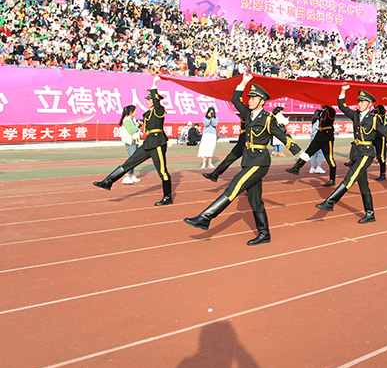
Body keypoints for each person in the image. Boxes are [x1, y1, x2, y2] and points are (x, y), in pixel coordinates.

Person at [184, 74, 300, 245]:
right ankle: (264, 234)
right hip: (248, 160)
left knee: (234, 186)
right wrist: (244, 82)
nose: (250, 100)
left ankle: (205, 217)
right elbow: (235, 98)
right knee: (255, 200)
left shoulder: (268, 119)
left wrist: (299, 152)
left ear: (262, 101)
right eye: (250, 98)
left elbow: (283, 136)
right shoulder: (248, 114)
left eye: (253, 98)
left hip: (260, 162)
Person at [314, 86, 387, 223]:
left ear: (369, 104)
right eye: (359, 101)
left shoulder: (374, 119)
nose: (359, 103)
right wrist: (343, 92)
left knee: (350, 178)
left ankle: (330, 202)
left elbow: (386, 132)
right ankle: (370, 213)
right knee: (363, 184)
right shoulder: (356, 115)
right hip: (356, 153)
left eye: (363, 102)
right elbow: (342, 107)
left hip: (367, 153)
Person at [93, 76, 173, 206]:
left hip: (157, 143)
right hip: (148, 143)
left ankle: (167, 197)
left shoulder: (159, 110)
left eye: (150, 99)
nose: (147, 101)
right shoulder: (148, 114)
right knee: (130, 162)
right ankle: (109, 181)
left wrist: (154, 83)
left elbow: (156, 106)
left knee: (162, 171)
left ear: (155, 100)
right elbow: (146, 126)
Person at [286, 104, 338, 186]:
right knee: (307, 153)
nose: (321, 104)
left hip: (327, 138)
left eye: (323, 103)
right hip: (318, 136)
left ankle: (332, 180)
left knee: (330, 159)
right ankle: (296, 167)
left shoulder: (330, 111)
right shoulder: (321, 112)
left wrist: (329, 104)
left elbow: (330, 116)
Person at [202, 113, 246, 183]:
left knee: (248, 167)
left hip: (249, 143)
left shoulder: (251, 113)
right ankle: (215, 174)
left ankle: (252, 191)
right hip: (241, 142)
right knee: (229, 158)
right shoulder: (246, 111)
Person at [118, 105, 142, 184]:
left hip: (134, 141)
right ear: (131, 112)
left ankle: (131, 175)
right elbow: (131, 131)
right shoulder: (127, 120)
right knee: (131, 159)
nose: (136, 112)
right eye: (135, 111)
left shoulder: (132, 119)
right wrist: (137, 125)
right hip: (130, 142)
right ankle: (126, 176)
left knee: (133, 159)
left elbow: (136, 129)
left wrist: (140, 125)